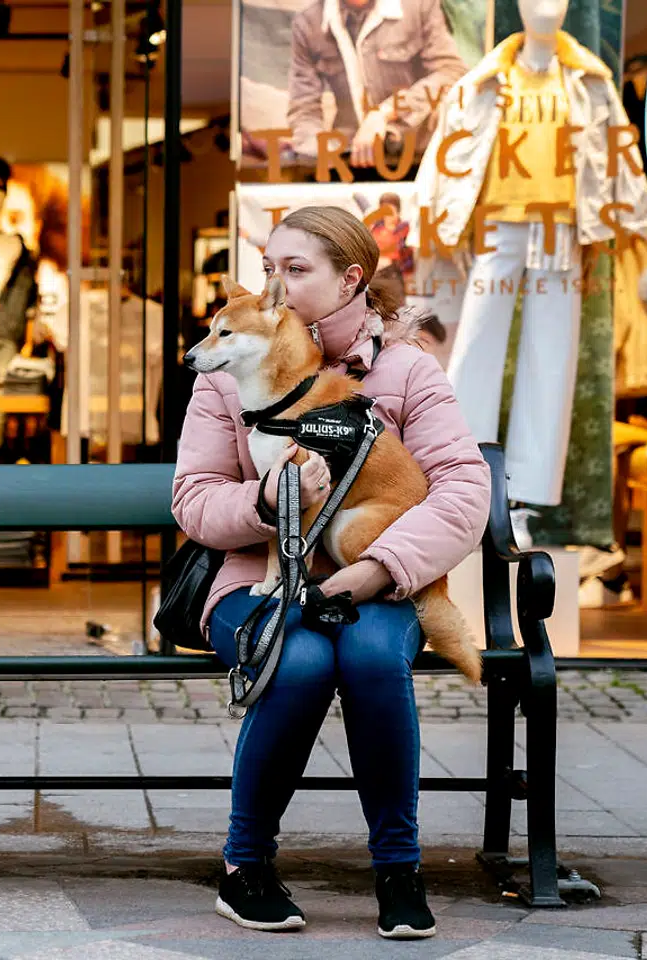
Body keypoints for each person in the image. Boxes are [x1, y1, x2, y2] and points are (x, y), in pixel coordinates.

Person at [171, 206, 489, 938]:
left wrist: (384, 566)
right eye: (270, 267)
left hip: (375, 578)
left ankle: (398, 873)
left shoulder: (407, 369)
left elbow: (465, 491)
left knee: (375, 657)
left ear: (352, 279)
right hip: (252, 578)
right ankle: (244, 866)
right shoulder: (227, 373)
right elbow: (191, 499)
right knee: (300, 659)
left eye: (296, 268)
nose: (276, 283)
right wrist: (263, 501)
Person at [286, 0, 466, 166]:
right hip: (350, 161)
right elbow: (304, 107)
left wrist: (386, 112)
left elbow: (451, 73)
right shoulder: (308, 23)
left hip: (419, 159)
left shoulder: (418, 6)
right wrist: (319, 154)